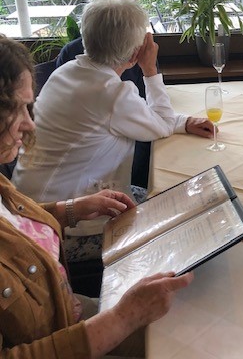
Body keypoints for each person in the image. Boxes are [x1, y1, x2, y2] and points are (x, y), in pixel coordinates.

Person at [0, 35, 193, 357]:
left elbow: (16, 223)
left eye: (28, 107)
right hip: (63, 338)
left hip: (66, 311)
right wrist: (124, 317)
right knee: (187, 337)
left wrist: (72, 209)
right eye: (14, 109)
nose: (30, 125)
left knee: (186, 321)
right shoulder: (107, 89)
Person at [12, 0, 214, 262]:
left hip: (27, 209)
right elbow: (161, 123)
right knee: (186, 220)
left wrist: (184, 121)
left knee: (170, 197)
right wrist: (150, 69)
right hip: (61, 230)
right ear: (134, 52)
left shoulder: (67, 72)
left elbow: (144, 118)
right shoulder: (110, 92)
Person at [54, 0, 152, 189]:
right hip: (91, 154)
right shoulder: (72, 54)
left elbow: (147, 102)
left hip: (133, 127)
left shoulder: (137, 49)